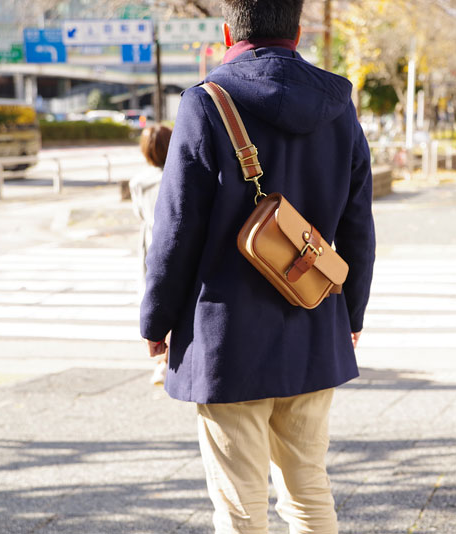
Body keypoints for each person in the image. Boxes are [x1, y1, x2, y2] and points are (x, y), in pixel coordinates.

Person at [139, 1, 376, 532]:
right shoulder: (339, 106)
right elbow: (359, 226)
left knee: (241, 507)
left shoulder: (207, 103)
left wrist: (156, 324)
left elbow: (175, 230)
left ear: (227, 29)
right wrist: (351, 316)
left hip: (228, 339)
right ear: (298, 29)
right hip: (315, 319)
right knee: (309, 488)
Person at [129, 125, 172, 385]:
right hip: (173, 241)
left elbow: (140, 215)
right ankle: (167, 359)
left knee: (153, 296)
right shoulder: (178, 176)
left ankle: (161, 355)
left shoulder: (138, 181)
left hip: (150, 242)